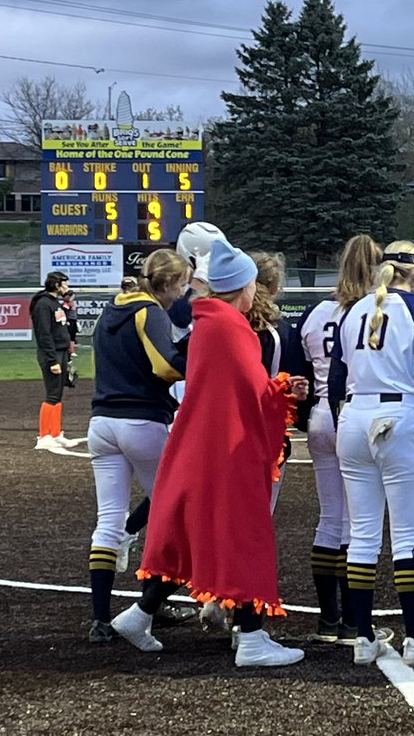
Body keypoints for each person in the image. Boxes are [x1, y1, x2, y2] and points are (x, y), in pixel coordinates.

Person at [110, 239, 308, 668]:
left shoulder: (208, 322)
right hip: (225, 453)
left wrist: (275, 392)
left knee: (185, 537)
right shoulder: (230, 326)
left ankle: (138, 614)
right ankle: (253, 637)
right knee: (242, 539)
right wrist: (282, 394)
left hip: (197, 446)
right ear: (243, 288)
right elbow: (251, 394)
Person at [328, 241, 414, 667]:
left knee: (362, 535)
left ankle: (363, 636)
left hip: (354, 415)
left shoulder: (350, 310)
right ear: (411, 271)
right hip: (401, 414)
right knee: (407, 538)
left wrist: (341, 421)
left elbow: (337, 377)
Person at [86, 250, 189, 643]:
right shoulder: (151, 312)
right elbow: (166, 367)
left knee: (106, 522)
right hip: (141, 420)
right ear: (164, 284)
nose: (181, 293)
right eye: (180, 285)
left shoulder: (110, 310)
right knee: (173, 509)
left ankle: (99, 620)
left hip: (101, 422)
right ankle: (149, 603)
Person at [296, 235, 385, 644]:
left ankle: (328, 620)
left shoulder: (317, 312)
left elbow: (304, 365)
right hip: (355, 413)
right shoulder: (377, 309)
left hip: (320, 416)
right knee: (358, 522)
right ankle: (353, 621)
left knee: (331, 518)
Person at [248, 251, 310, 513]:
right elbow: (295, 383)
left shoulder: (228, 322)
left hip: (226, 430)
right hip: (265, 430)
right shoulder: (279, 330)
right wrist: (304, 418)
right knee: (259, 515)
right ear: (275, 288)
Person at [30, 270, 83, 451]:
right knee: (52, 394)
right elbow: (44, 334)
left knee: (58, 393)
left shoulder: (54, 303)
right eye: (64, 284)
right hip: (50, 354)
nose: (66, 287)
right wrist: (52, 360)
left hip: (60, 353)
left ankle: (55, 433)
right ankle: (44, 436)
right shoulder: (43, 305)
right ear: (56, 285)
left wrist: (66, 355)